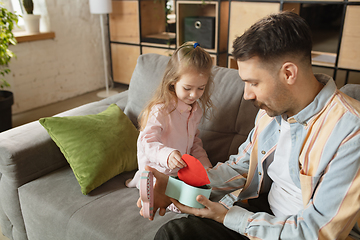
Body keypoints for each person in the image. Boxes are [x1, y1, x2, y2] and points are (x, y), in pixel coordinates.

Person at [137, 11, 360, 239]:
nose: (246, 95)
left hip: (298, 233)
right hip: (261, 214)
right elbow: (240, 168)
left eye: (253, 82)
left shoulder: (350, 132)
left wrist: (227, 216)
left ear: (289, 73)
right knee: (175, 234)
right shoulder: (270, 112)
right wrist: (176, 187)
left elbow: (317, 232)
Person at [126, 42, 213, 189]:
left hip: (178, 172)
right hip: (155, 170)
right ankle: (140, 181)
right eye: (187, 88)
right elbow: (147, 142)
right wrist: (167, 155)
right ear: (173, 82)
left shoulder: (195, 111)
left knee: (203, 191)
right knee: (171, 199)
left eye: (201, 88)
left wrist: (204, 164)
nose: (194, 94)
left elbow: (194, 142)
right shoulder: (160, 110)